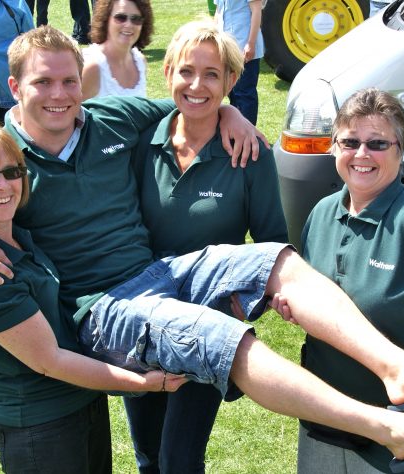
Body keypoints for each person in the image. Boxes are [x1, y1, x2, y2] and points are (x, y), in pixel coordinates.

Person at [0, 25, 404, 474]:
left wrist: (231, 112)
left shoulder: (112, 119)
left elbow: (192, 105)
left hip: (160, 272)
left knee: (277, 259)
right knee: (219, 337)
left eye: (68, 80)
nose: (59, 95)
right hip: (101, 311)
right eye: (43, 82)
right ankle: (390, 428)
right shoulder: (7, 156)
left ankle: (399, 368)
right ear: (15, 86)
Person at [125, 20, 288, 473]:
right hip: (141, 321)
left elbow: (275, 246)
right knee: (148, 455)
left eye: (213, 74)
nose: (197, 85)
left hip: (203, 328)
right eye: (186, 71)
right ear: (168, 74)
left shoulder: (249, 151)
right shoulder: (141, 141)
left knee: (180, 458)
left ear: (232, 81)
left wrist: (237, 308)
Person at [296, 88, 404, 473]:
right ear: (333, 147)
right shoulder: (321, 214)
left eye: (377, 143)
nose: (361, 154)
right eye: (350, 142)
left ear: (400, 150)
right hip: (323, 425)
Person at [0, 125, 186, 474]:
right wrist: (144, 383)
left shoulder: (20, 234)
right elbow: (48, 360)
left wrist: (228, 111)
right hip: (40, 425)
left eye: (12, 172)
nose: (3, 185)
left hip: (84, 399)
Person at [82, 0, 152, 100]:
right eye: (120, 18)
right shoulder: (92, 67)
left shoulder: (140, 62)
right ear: (106, 19)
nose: (128, 25)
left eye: (136, 19)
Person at [214, 0, 263, 125]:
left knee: (244, 93)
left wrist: (251, 44)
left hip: (243, 46)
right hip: (226, 47)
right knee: (232, 92)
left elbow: (256, 11)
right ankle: (236, 130)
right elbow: (218, 12)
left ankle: (249, 134)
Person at [0, 0, 33, 125]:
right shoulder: (16, 3)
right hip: (11, 90)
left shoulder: (15, 3)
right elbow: (30, 38)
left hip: (10, 90)